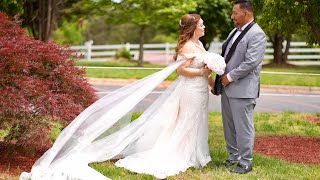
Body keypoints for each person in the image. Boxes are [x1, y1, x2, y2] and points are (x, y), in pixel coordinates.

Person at [20, 14, 225, 180]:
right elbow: (181, 71)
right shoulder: (188, 47)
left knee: (197, 120)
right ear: (192, 28)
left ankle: (196, 152)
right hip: (189, 90)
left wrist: (210, 84)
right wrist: (202, 74)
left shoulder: (199, 45)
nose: (204, 27)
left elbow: (205, 67)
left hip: (200, 90)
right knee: (186, 120)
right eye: (202, 25)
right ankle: (182, 153)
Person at [210, 0, 266, 174]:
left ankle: (245, 163)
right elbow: (227, 56)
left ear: (246, 14)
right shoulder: (235, 31)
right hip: (227, 87)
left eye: (235, 13)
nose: (232, 16)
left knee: (243, 127)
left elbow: (251, 62)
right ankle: (232, 158)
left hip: (242, 89)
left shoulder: (257, 34)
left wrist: (230, 76)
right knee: (229, 126)